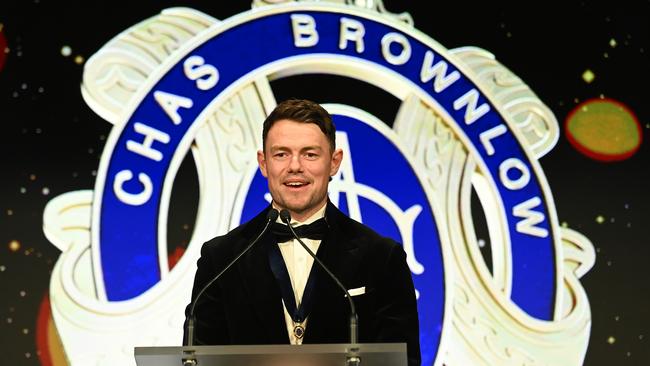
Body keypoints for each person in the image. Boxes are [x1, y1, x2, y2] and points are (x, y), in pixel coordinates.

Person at [184, 98, 421, 365]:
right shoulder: (221, 258)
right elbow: (198, 358)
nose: (295, 166)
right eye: (281, 154)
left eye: (310, 154)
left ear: (334, 162)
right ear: (263, 163)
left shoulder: (381, 258)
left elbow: (404, 360)